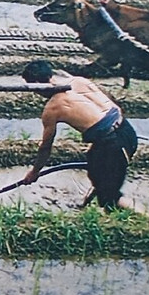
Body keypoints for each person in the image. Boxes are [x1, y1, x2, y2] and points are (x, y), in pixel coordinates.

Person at [21, 59, 138, 211]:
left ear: (35, 85)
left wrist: (34, 172)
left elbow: (45, 148)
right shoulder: (79, 81)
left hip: (112, 144)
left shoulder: (52, 109)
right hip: (127, 131)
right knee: (96, 164)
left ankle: (146, 219)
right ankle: (87, 204)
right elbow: (111, 102)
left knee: (111, 199)